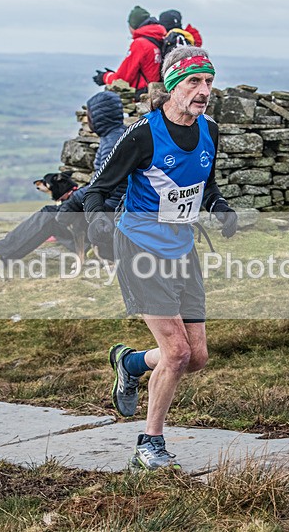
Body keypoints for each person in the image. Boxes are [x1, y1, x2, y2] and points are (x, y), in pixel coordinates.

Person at [83, 46, 238, 471]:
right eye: (194, 81)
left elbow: (203, 182)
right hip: (140, 248)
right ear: (172, 85)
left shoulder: (210, 130)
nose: (204, 90)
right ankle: (148, 445)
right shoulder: (143, 134)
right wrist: (97, 222)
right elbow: (97, 189)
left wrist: (220, 205)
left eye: (209, 81)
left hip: (182, 249)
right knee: (175, 353)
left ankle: (130, 363)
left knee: (197, 357)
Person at [0, 91, 127, 263]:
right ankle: (92, 246)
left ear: (100, 116)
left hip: (109, 218)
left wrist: (72, 203)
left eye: (90, 114)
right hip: (110, 215)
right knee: (57, 217)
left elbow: (100, 188)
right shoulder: (117, 137)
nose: (87, 118)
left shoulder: (112, 145)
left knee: (50, 215)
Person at [92, 6, 166, 93]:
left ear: (133, 25)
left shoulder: (140, 44)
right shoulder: (159, 38)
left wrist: (105, 77)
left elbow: (123, 79)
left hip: (143, 94)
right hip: (157, 91)